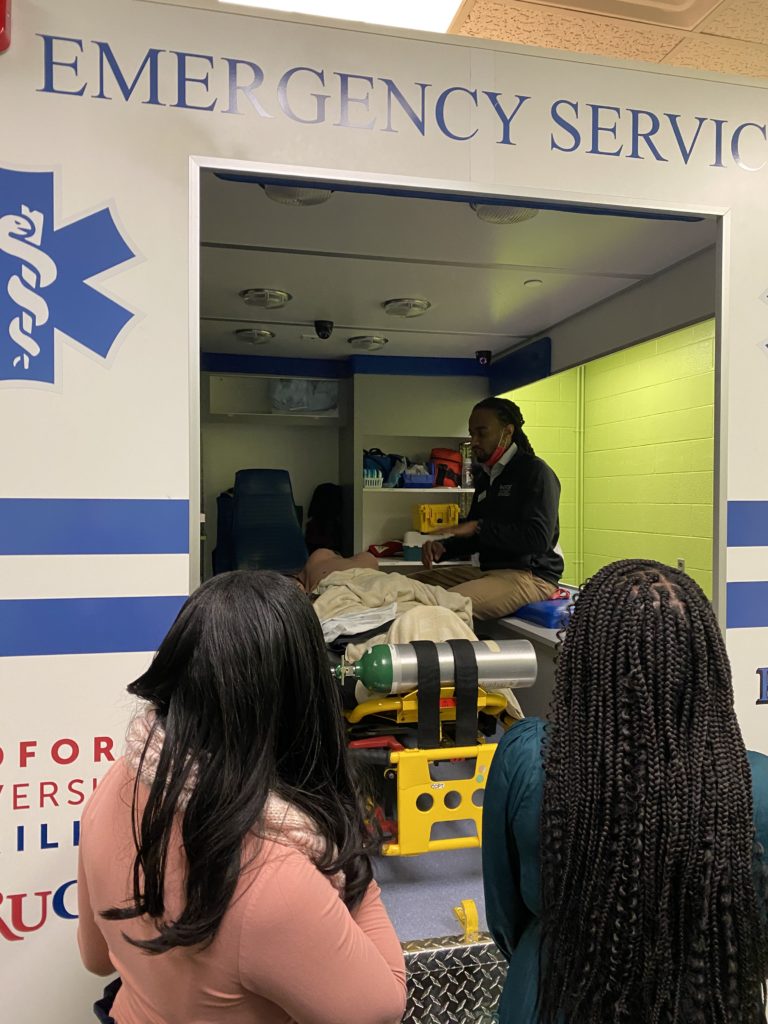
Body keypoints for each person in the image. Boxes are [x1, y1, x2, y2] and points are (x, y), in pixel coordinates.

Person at [76, 571, 407, 1024]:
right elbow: (381, 1006)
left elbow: (96, 958)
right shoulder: (274, 878)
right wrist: (346, 857)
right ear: (304, 697)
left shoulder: (119, 783)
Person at [482, 559, 768, 1024]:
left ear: (581, 657)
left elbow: (506, 919)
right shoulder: (754, 784)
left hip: (554, 993)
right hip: (710, 998)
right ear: (707, 661)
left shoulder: (527, 758)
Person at [412, 398, 563, 620]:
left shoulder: (535, 472)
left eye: (481, 433)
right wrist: (444, 549)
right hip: (488, 572)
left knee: (437, 609)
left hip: (529, 576)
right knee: (406, 588)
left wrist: (481, 527)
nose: (474, 441)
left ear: (507, 432)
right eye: (472, 433)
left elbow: (538, 538)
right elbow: (476, 537)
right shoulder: (487, 476)